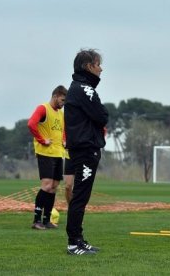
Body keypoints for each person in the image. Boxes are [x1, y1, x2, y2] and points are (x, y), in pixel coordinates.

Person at [64, 48, 109, 255]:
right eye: (98, 64)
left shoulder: (79, 87)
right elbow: (102, 115)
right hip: (85, 149)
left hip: (83, 148)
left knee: (81, 195)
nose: (101, 69)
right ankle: (73, 243)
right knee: (80, 196)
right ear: (88, 66)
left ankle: (79, 240)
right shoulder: (85, 89)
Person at [27, 85, 67, 230]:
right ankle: (36, 220)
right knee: (47, 186)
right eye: (62, 100)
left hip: (58, 153)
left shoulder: (61, 114)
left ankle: (47, 220)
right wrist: (42, 140)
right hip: (45, 153)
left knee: (54, 187)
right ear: (55, 96)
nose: (63, 103)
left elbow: (64, 129)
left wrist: (64, 139)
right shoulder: (43, 108)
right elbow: (31, 124)